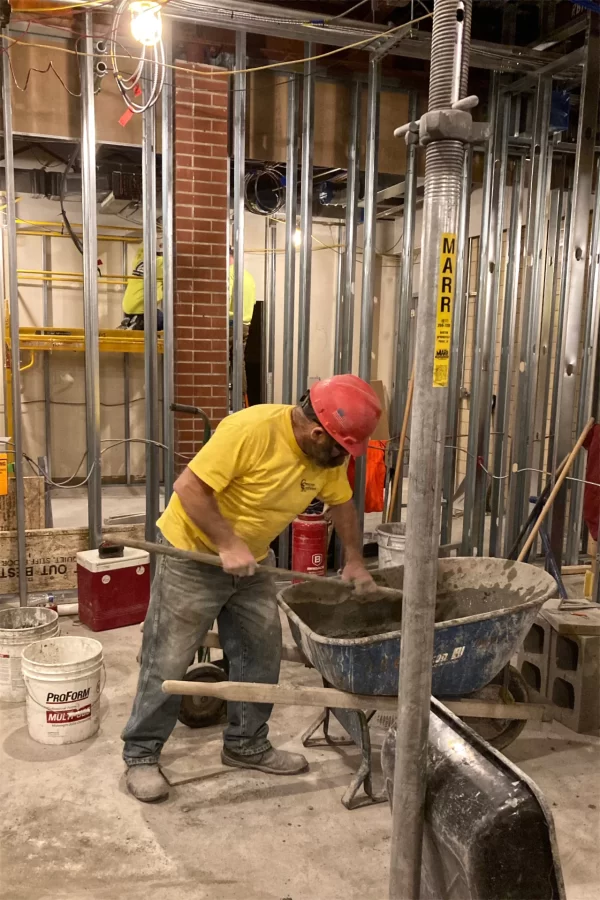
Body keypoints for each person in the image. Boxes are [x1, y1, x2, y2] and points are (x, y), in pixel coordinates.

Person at [122, 374, 382, 802]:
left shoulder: (326, 459)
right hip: (194, 554)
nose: (344, 458)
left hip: (255, 563)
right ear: (318, 432)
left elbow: (341, 504)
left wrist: (354, 560)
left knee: (259, 653)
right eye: (342, 448)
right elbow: (189, 487)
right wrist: (227, 543)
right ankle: (142, 754)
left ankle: (246, 744)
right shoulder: (250, 430)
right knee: (167, 656)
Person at [119, 237, 164, 330]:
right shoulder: (161, 263)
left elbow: (142, 247)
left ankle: (131, 323)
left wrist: (153, 236)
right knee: (168, 321)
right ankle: (136, 324)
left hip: (127, 306)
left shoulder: (139, 259)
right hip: (141, 309)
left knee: (158, 314)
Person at [228, 249, 257, 398]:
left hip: (231, 322)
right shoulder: (249, 276)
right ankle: (241, 394)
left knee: (219, 357)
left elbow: (226, 298)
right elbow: (252, 302)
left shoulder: (230, 273)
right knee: (239, 360)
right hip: (245, 324)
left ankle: (218, 392)